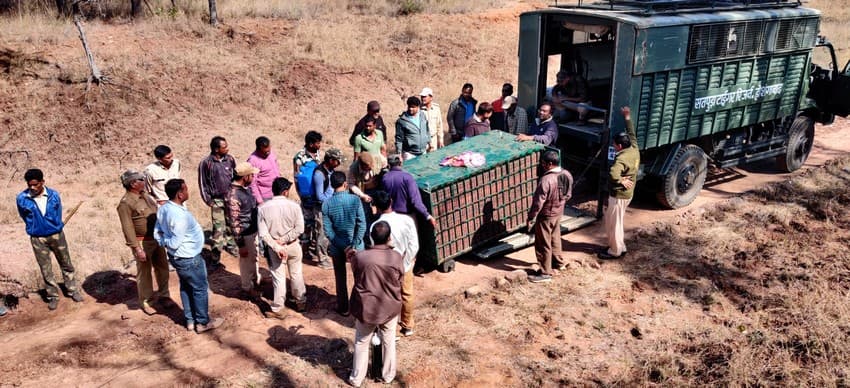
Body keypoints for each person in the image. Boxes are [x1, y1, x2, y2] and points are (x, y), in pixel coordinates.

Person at [155, 179, 224, 333]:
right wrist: (166, 242)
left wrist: (161, 241)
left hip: (177, 258)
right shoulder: (179, 216)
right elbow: (174, 242)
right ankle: (202, 322)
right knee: (200, 289)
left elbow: (157, 231)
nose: (188, 191)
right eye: (185, 189)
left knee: (186, 287)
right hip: (189, 258)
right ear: (180, 194)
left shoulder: (163, 209)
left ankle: (190, 321)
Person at [16, 169, 84, 311]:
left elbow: (58, 212)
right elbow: (24, 216)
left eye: (35, 185)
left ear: (42, 182)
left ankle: (72, 290)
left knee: (66, 263)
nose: (32, 188)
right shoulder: (22, 198)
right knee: (45, 268)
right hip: (37, 238)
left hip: (56, 235)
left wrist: (55, 226)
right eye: (30, 185)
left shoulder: (53, 195)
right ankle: (53, 296)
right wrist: (35, 228)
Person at [347, 221, 404, 387]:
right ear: (389, 238)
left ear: (371, 237)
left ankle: (356, 379)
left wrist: (352, 257)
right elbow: (400, 278)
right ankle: (388, 376)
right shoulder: (396, 257)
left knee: (361, 342)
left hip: (366, 308)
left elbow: (357, 273)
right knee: (389, 340)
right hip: (389, 307)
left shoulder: (360, 257)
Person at [116, 170, 170, 315]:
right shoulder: (126, 203)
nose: (144, 181)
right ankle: (147, 302)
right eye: (141, 179)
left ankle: (165, 295)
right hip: (143, 242)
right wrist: (137, 248)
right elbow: (127, 227)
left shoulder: (145, 196)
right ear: (133, 183)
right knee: (144, 273)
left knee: (162, 268)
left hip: (157, 238)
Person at [370, 191, 418, 337]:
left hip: (385, 268)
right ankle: (407, 324)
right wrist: (405, 263)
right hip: (405, 263)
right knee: (406, 293)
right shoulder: (407, 220)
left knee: (387, 296)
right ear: (391, 201)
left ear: (376, 207)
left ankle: (389, 330)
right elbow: (414, 245)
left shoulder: (375, 226)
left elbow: (375, 249)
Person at [258, 178, 306, 319]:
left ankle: (278, 308)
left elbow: (263, 233)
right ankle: (300, 301)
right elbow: (300, 229)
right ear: (285, 192)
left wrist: (277, 245)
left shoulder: (262, 208)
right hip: (293, 245)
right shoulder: (295, 206)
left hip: (275, 249)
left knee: (278, 277)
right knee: (296, 273)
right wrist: (285, 240)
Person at [322, 171, 367, 316]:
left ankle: (344, 308)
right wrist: (353, 245)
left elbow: (328, 231)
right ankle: (359, 306)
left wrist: (344, 247)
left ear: (331, 185)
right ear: (345, 184)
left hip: (337, 247)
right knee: (360, 278)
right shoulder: (355, 200)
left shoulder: (327, 204)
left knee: (340, 278)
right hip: (357, 247)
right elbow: (362, 225)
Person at [526, 151, 574, 283]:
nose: (542, 166)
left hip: (546, 215)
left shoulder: (546, 179)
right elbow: (568, 194)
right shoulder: (567, 174)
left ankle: (545, 272)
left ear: (549, 164)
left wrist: (531, 217)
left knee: (543, 243)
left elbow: (538, 202)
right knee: (555, 238)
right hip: (558, 212)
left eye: (543, 164)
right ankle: (559, 263)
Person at [599, 107, 639, 260]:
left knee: (613, 223)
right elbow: (632, 134)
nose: (614, 146)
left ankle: (614, 251)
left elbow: (613, 173)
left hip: (618, 195)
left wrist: (621, 179)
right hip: (628, 194)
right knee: (619, 221)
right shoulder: (634, 149)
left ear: (620, 146)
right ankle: (620, 246)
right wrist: (627, 117)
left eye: (615, 145)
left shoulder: (621, 158)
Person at [198, 136, 237, 268]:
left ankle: (232, 247)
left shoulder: (230, 159)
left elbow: (235, 178)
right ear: (216, 149)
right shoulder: (206, 163)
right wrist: (209, 201)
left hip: (230, 199)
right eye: (224, 146)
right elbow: (203, 183)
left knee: (231, 225)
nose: (227, 148)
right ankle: (215, 257)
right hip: (217, 201)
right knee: (218, 230)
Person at [225, 162, 261, 299]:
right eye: (251, 174)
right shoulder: (233, 195)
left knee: (253, 259)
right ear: (245, 177)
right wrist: (241, 244)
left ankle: (255, 281)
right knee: (246, 263)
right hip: (245, 234)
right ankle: (247, 288)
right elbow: (234, 222)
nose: (253, 177)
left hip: (252, 231)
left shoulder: (245, 189)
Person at [307, 148, 344, 270]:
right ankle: (322, 259)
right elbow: (320, 197)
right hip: (321, 208)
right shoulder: (319, 174)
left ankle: (324, 253)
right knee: (322, 233)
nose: (339, 163)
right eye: (337, 161)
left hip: (330, 206)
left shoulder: (330, 171)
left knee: (328, 232)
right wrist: (333, 193)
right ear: (331, 160)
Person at [292, 131, 324, 265]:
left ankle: (315, 249)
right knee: (307, 225)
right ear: (311, 144)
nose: (320, 145)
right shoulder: (299, 157)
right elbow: (297, 177)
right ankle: (304, 252)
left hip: (317, 194)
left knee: (318, 224)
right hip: (307, 196)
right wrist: (301, 195)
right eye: (318, 143)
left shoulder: (318, 155)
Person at [382, 154, 438, 229]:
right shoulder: (407, 177)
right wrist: (427, 215)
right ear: (401, 163)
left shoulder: (385, 178)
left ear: (389, 165)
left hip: (393, 217)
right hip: (408, 217)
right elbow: (415, 201)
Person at [247, 136, 280, 205]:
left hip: (276, 193)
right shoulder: (253, 161)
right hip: (265, 196)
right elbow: (252, 183)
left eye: (269, 150)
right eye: (265, 152)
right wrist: (259, 200)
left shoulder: (270, 153)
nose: (268, 153)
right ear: (258, 149)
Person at [395, 96, 430, 160]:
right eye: (409, 106)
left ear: (418, 107)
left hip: (423, 151)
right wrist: (399, 153)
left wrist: (429, 142)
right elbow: (399, 139)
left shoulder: (422, 115)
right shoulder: (402, 121)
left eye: (413, 107)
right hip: (409, 154)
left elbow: (427, 130)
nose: (411, 109)